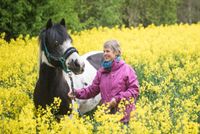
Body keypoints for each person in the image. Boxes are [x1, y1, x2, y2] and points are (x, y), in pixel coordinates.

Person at [68, 39, 139, 124]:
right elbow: (92, 90)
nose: (104, 54)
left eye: (108, 51)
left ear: (116, 52)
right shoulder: (101, 72)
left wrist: (117, 99)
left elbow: (134, 90)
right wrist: (76, 93)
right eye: (104, 51)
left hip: (125, 117)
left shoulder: (127, 69)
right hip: (108, 117)